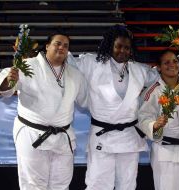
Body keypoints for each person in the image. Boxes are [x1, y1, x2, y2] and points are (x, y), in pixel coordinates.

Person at [68, 24, 159, 190]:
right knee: (98, 183)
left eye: (127, 48)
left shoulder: (138, 70)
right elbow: (67, 62)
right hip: (103, 135)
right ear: (110, 45)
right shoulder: (91, 63)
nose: (122, 51)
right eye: (118, 46)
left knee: (128, 184)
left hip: (129, 136)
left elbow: (161, 75)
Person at [0, 33, 87, 190]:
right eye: (57, 43)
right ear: (47, 46)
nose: (62, 48)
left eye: (66, 46)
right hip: (32, 134)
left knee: (61, 185)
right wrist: (8, 80)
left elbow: (87, 100)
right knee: (33, 185)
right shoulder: (28, 66)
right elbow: (5, 86)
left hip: (63, 137)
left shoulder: (75, 74)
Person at [138, 50, 179, 190]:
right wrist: (154, 125)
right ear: (159, 67)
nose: (172, 65)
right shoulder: (153, 90)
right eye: (166, 62)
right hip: (167, 153)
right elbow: (143, 117)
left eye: (175, 61)